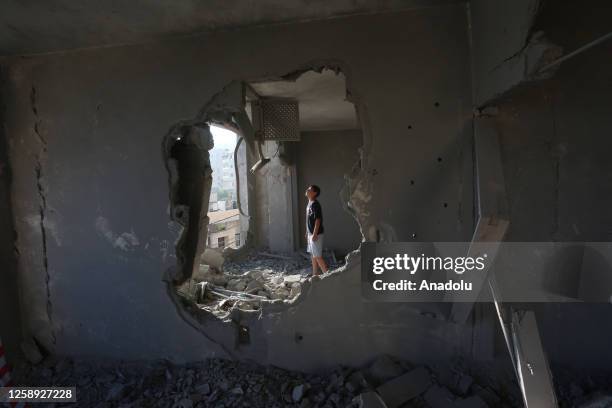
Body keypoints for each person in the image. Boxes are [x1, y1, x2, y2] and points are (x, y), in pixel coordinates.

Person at [305, 185, 328, 276]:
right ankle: (315, 274)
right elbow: (308, 218)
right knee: (313, 255)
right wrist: (307, 231)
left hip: (316, 234)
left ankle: (327, 275)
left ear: (314, 193)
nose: (307, 190)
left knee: (317, 256)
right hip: (311, 233)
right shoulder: (309, 203)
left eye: (309, 189)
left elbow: (318, 220)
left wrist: (314, 234)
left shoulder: (315, 204)